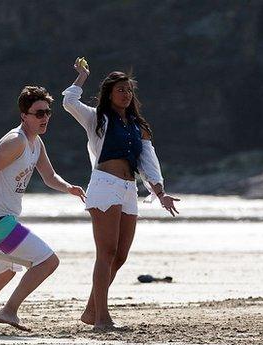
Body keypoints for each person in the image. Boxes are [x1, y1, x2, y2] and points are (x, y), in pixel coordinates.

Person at [0, 86, 86, 333]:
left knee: (4, 273)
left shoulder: (37, 143)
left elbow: (49, 176)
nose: (45, 117)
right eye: (38, 113)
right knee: (47, 261)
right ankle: (9, 311)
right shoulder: (16, 141)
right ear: (24, 115)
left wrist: (69, 188)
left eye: (47, 112)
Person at [62, 58, 180, 330]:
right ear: (109, 94)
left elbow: (149, 162)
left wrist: (160, 192)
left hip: (129, 189)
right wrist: (82, 76)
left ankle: (92, 311)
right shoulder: (97, 118)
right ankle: (102, 318)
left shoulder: (139, 126)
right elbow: (69, 102)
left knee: (120, 256)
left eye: (129, 90)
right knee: (106, 252)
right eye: (120, 90)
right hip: (104, 185)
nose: (126, 95)